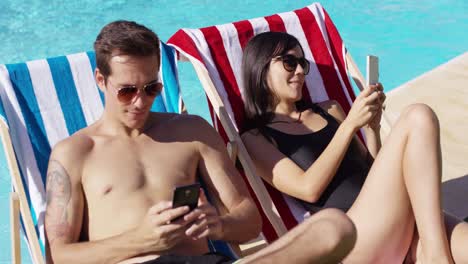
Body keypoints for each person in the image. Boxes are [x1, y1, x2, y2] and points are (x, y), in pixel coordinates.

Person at [44, 21, 357, 264]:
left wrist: (217, 225)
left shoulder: (192, 131)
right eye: (127, 91)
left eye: (151, 88)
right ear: (101, 80)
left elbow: (249, 220)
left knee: (334, 227)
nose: (140, 102)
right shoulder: (75, 152)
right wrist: (142, 240)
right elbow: (59, 255)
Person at [240, 31, 468, 264]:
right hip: (353, 239)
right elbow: (308, 188)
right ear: (261, 68)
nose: (299, 71)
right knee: (418, 116)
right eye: (289, 62)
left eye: (302, 63)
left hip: (394, 221)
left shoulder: (329, 110)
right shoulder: (255, 138)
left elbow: (373, 171)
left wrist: (372, 129)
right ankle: (436, 257)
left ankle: (431, 252)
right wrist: (348, 126)